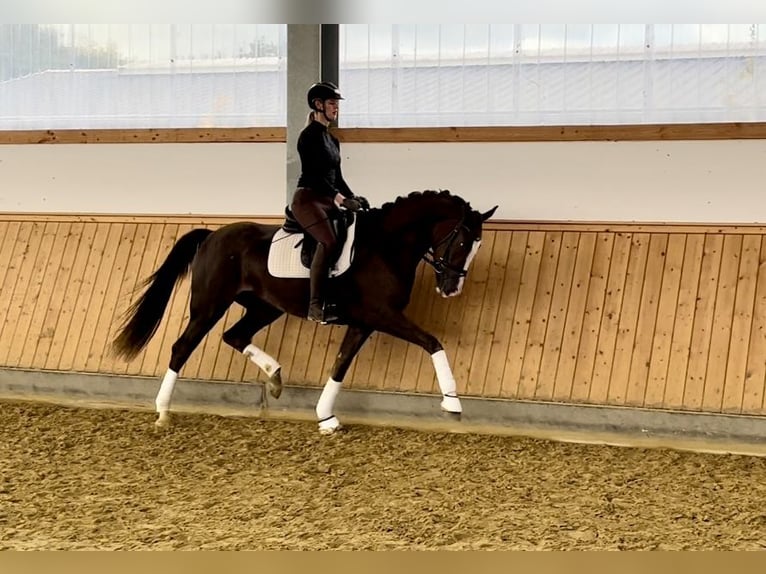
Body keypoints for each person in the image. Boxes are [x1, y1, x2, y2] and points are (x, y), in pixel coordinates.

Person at [290, 81, 365, 324]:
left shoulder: (333, 141)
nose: (336, 108)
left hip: (327, 199)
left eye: (336, 104)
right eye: (332, 104)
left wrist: (353, 198)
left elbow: (337, 178)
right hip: (308, 198)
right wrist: (342, 200)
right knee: (328, 240)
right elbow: (316, 177)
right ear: (318, 104)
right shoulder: (308, 137)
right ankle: (314, 306)